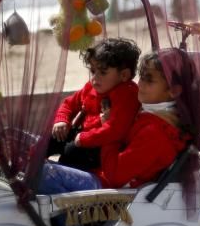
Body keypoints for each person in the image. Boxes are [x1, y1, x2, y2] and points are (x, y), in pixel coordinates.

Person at [37, 48, 196, 226]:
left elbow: (115, 176)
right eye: (142, 77)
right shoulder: (150, 112)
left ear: (173, 91)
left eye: (149, 80)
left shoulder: (156, 131)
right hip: (102, 174)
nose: (141, 84)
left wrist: (109, 131)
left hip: (109, 190)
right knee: (29, 150)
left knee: (38, 172)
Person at [47, 37, 141, 170]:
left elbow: (115, 131)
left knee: (71, 152)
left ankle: (55, 176)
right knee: (51, 138)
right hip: (84, 134)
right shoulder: (92, 87)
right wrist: (61, 120)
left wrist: (84, 138)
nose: (94, 78)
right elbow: (69, 103)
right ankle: (28, 168)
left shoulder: (127, 95)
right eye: (93, 71)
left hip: (103, 144)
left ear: (124, 75)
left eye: (103, 72)